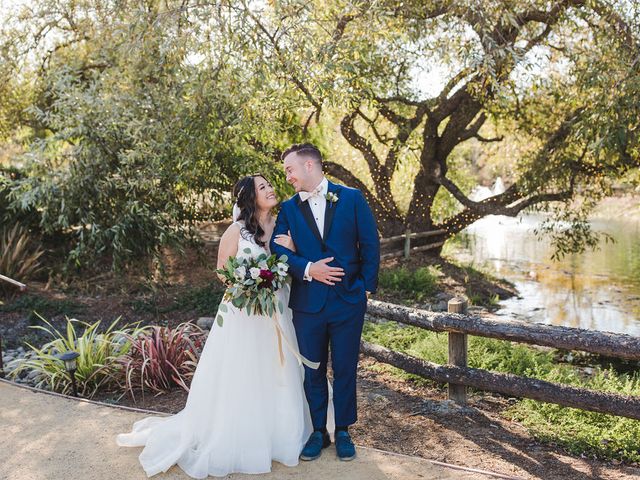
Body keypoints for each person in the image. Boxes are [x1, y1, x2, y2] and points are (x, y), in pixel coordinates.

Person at [116, 174, 312, 478]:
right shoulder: (236, 230)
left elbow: (290, 264)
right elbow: (222, 270)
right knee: (243, 370)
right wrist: (249, 285)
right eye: (263, 188)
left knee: (278, 368)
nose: (271, 189)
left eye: (270, 185)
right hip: (243, 313)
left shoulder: (282, 226)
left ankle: (280, 434)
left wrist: (281, 267)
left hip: (276, 309)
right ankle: (241, 435)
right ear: (250, 197)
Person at [270, 143, 380, 462]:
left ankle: (344, 429)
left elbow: (370, 244)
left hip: (348, 302)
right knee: (312, 370)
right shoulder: (289, 209)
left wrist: (365, 290)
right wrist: (308, 268)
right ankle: (319, 431)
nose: (287, 176)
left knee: (346, 367)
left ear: (309, 166)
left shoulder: (352, 198)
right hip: (307, 305)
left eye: (290, 169)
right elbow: (279, 251)